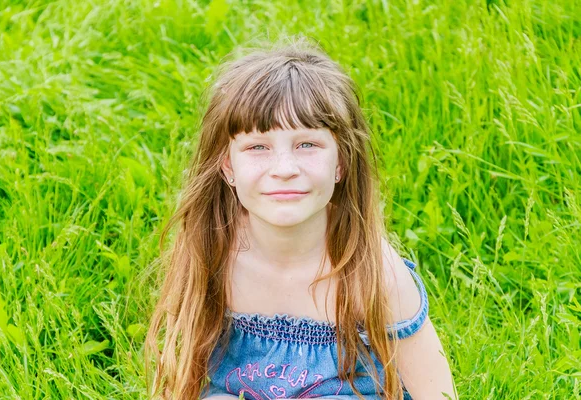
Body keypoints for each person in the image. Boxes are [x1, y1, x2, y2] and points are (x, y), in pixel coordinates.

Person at [144, 35, 457, 400]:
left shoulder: (374, 272)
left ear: (340, 162)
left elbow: (437, 392)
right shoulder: (213, 251)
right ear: (228, 166)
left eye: (307, 145)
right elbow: (181, 379)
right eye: (258, 147)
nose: (284, 169)